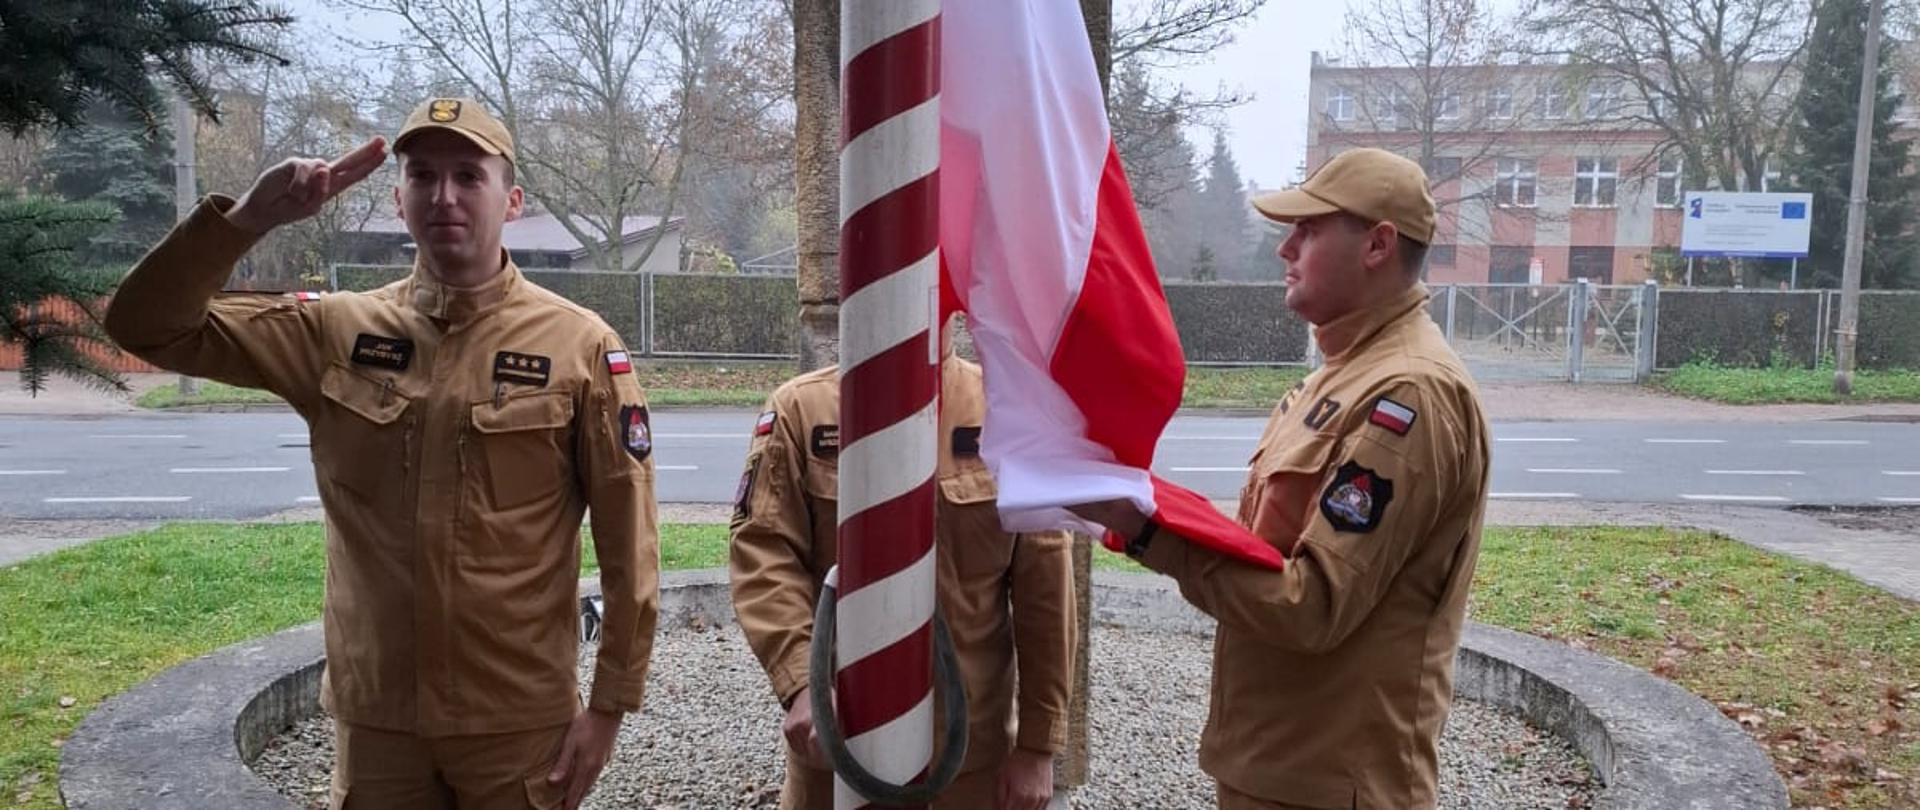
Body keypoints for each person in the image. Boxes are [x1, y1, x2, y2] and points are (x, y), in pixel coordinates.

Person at [104, 98, 660, 810]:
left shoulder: (578, 346)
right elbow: (145, 326)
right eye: (422, 175)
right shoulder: (335, 331)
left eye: (469, 175)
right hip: (377, 723)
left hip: (515, 721)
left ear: (512, 200)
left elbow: (629, 540)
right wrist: (247, 220)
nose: (444, 195)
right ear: (398, 199)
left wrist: (609, 706)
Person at [1070, 148, 1492, 810]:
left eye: (1310, 229)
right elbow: (1261, 550)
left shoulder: (1407, 392)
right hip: (1283, 765)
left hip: (1330, 784)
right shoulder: (1343, 374)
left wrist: (1149, 531)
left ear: (1378, 245)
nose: (1285, 248)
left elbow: (1310, 606)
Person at [728, 337, 1073, 810]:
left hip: (965, 761)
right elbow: (765, 554)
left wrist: (1038, 745)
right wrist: (803, 684)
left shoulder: (1007, 412)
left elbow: (1045, 590)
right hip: (839, 753)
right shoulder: (803, 411)